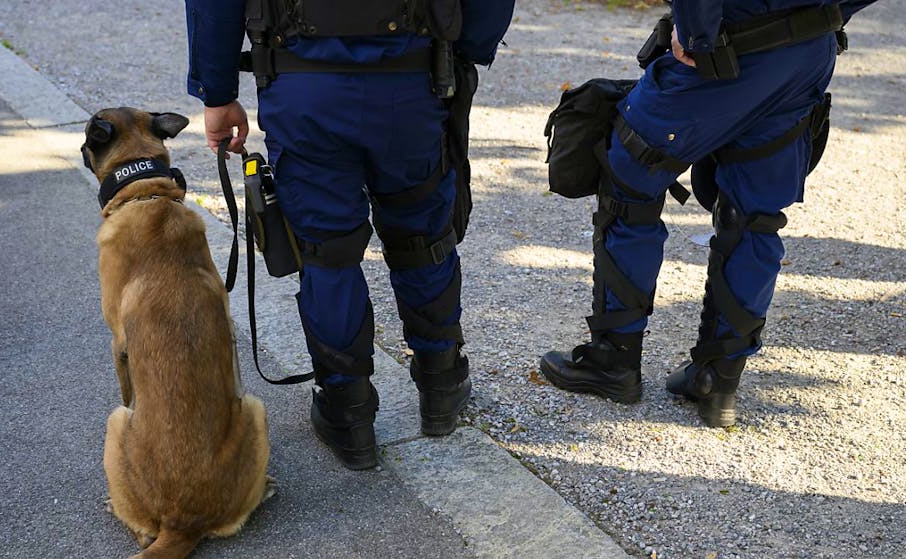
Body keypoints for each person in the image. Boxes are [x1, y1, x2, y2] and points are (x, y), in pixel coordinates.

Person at [185, 0, 514, 469]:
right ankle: (441, 381)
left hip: (304, 85)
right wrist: (466, 48)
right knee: (422, 236)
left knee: (327, 252)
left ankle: (348, 412)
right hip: (412, 79)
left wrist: (216, 92)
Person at [540, 0, 877, 427]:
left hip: (729, 44)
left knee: (627, 174)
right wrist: (830, 13)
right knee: (753, 215)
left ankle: (613, 361)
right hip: (807, 51)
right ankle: (718, 379)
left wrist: (696, 30)